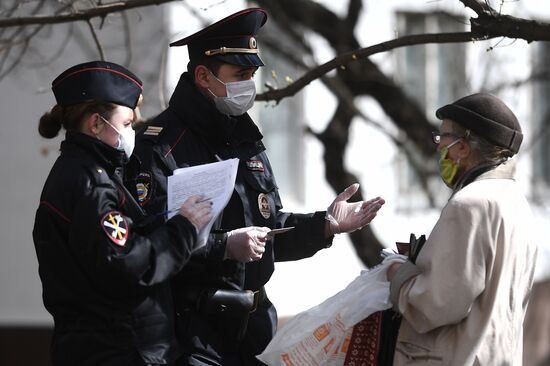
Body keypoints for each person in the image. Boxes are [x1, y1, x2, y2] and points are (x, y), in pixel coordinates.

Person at [124, 8, 385, 366]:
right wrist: (224, 247)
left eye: (252, 74)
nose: (249, 84)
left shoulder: (245, 139)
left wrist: (325, 225)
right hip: (189, 334)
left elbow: (268, 226)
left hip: (253, 329)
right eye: (240, 74)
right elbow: (147, 243)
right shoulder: (161, 146)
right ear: (203, 75)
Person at [32, 61, 213, 366]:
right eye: (127, 123)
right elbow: (126, 264)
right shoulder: (91, 182)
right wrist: (183, 228)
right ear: (96, 124)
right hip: (116, 350)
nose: (132, 132)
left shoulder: (91, 173)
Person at [387, 93, 537, 365]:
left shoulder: (469, 206)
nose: (438, 147)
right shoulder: (516, 202)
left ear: (463, 147)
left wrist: (399, 274)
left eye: (442, 138)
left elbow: (437, 303)